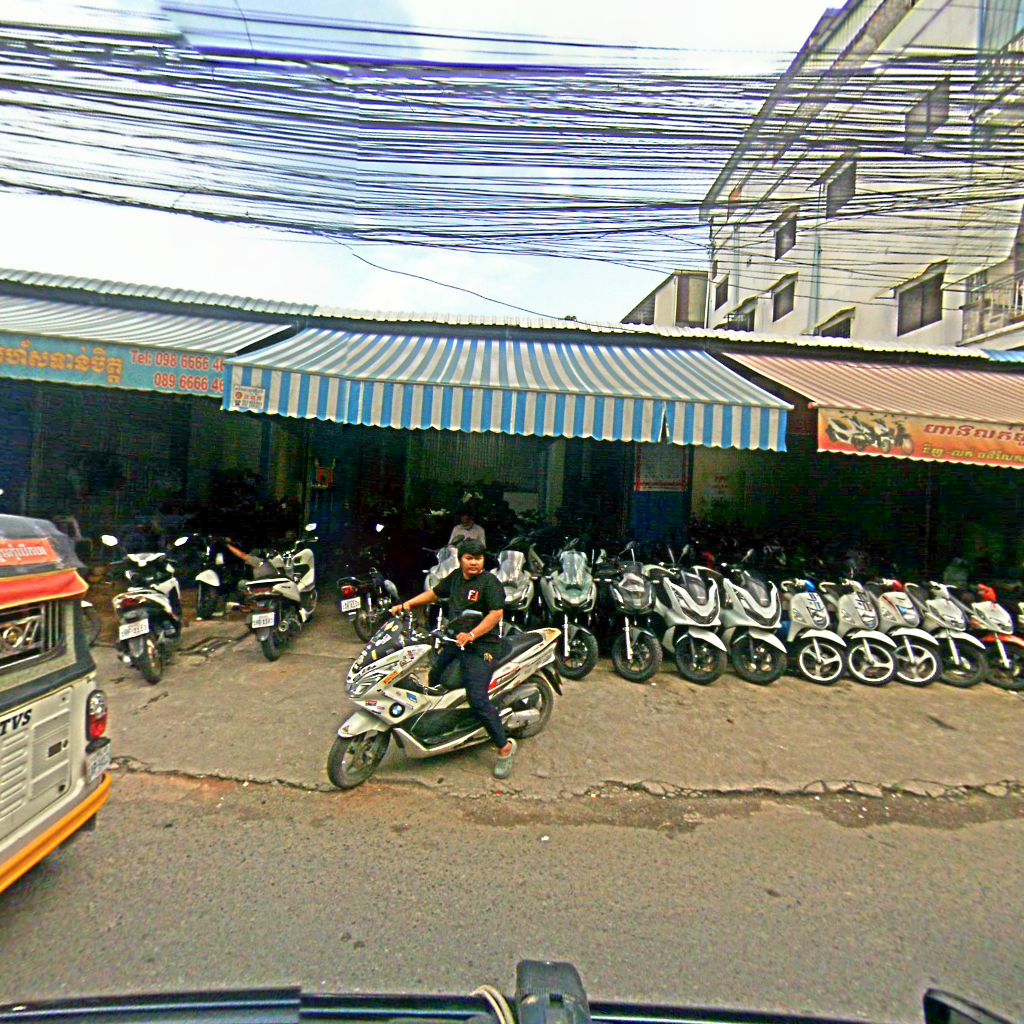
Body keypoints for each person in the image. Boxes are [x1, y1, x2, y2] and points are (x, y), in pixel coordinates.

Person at [390, 538, 516, 779]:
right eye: (469, 558)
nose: (474, 563)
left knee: (477, 697)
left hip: (483, 646)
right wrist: (406, 605)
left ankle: (504, 746)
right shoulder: (456, 578)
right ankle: (444, 721)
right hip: (456, 641)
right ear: (460, 560)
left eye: (478, 558)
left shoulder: (489, 583)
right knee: (435, 676)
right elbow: (434, 594)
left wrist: (472, 634)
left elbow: (495, 614)